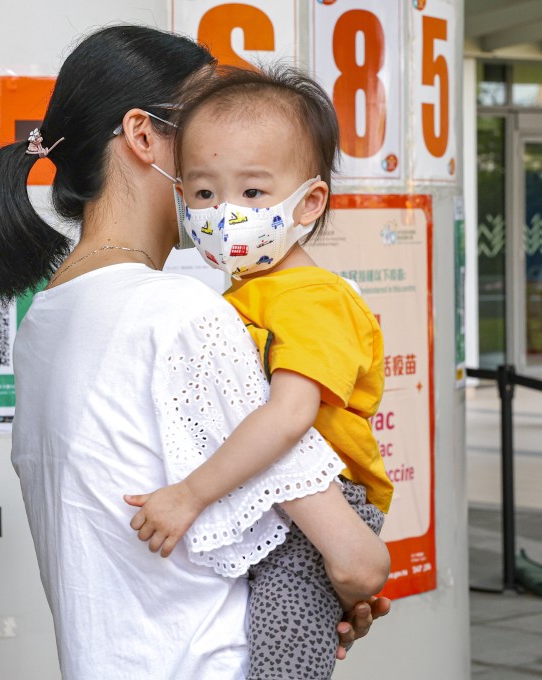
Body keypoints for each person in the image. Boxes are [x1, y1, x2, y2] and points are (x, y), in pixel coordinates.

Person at [0, 25, 389, 680]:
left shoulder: (44, 323)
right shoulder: (181, 316)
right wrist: (344, 589)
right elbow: (358, 561)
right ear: (143, 137)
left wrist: (305, 600)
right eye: (207, 123)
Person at [123, 64, 391, 679]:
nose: (223, 214)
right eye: (204, 193)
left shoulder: (312, 298)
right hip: (273, 498)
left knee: (281, 661)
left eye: (252, 192)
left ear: (310, 201)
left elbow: (291, 415)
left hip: (323, 509)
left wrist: (189, 495)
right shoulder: (243, 295)